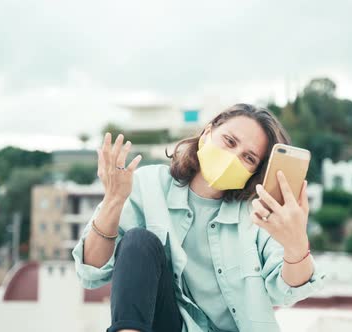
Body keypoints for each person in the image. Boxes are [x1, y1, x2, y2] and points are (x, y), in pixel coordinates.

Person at [72, 103, 327, 332]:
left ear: (254, 172)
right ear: (206, 134)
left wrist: (296, 244)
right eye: (229, 141)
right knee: (139, 241)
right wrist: (113, 201)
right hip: (166, 324)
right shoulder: (147, 185)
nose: (233, 157)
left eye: (248, 158)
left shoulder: (257, 215)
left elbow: (286, 292)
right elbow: (91, 272)